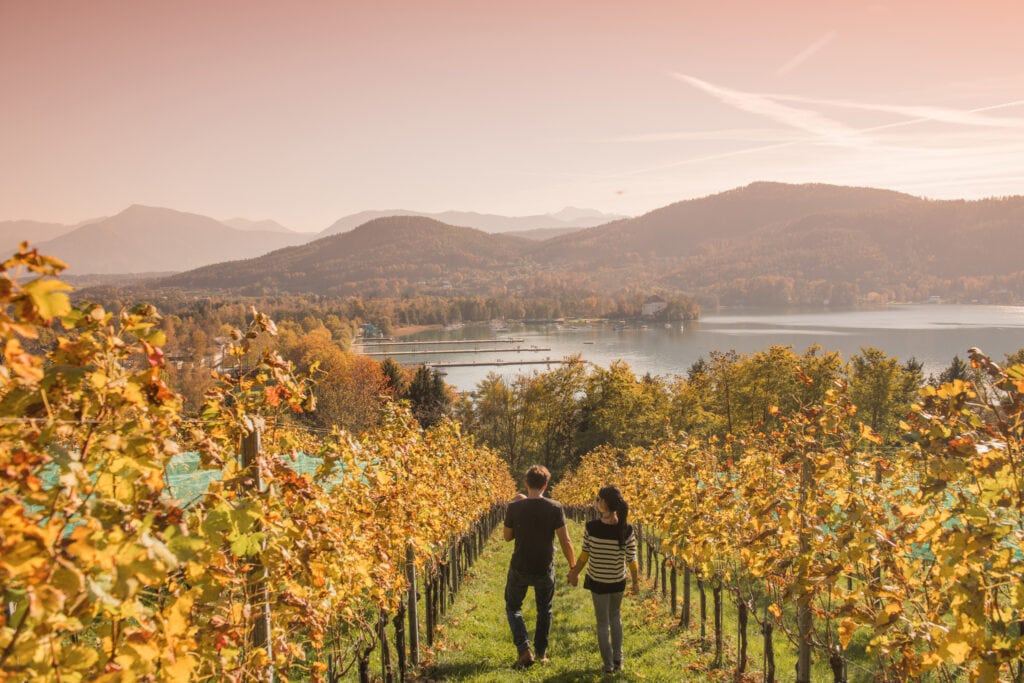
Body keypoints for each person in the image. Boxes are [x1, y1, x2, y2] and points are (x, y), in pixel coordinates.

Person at [503, 465, 576, 669]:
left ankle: (524, 648)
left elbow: (507, 537)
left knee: (513, 606)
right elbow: (566, 541)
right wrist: (572, 567)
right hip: (544, 567)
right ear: (545, 485)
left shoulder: (515, 507)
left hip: (519, 567)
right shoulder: (554, 507)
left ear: (526, 483)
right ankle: (541, 653)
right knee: (545, 609)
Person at [567, 485, 639, 674]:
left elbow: (584, 555)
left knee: (602, 623)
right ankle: (618, 659)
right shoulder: (627, 529)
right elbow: (632, 558)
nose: (596, 502)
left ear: (605, 504)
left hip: (598, 582)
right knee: (615, 618)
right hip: (617, 582)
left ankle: (608, 665)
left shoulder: (592, 527)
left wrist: (574, 572)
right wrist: (636, 582)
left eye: (598, 499)